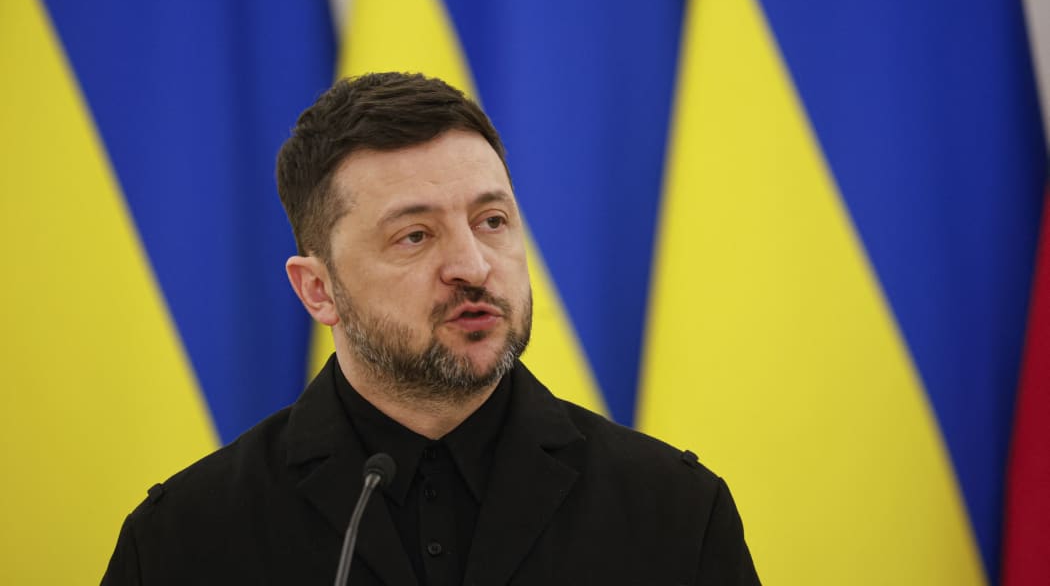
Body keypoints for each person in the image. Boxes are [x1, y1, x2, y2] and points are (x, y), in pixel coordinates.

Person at [102, 72, 760, 585]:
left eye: (491, 221)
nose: (473, 266)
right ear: (317, 289)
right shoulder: (187, 540)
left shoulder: (672, 514)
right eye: (415, 236)